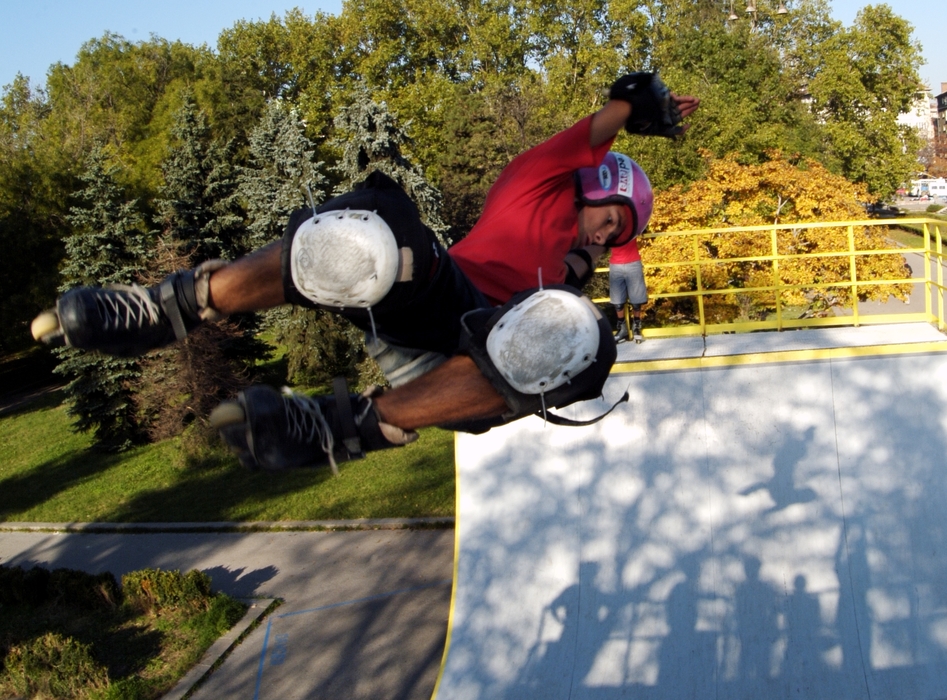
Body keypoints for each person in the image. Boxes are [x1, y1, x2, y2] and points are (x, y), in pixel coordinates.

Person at [31, 72, 699, 473]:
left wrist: (598, 275)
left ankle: (336, 428)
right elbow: (610, 115)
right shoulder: (535, 182)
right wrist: (643, 107)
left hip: (464, 371)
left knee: (579, 343)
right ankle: (173, 306)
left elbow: (597, 293)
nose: (609, 233)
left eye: (620, 232)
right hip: (438, 301)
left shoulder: (569, 276)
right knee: (373, 231)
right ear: (587, 191)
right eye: (609, 217)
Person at [608, 234, 648, 343]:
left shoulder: (632, 224)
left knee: (636, 299)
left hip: (633, 262)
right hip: (615, 264)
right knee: (617, 301)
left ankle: (636, 327)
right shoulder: (609, 225)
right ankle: (622, 329)